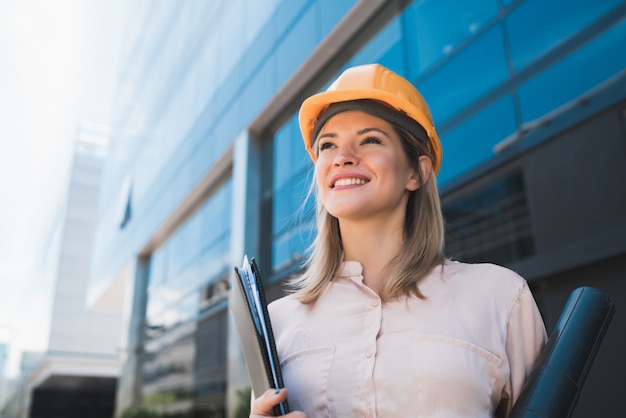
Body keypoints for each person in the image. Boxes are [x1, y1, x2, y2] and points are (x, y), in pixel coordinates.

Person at [251, 63, 547, 417]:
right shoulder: (278, 323)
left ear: (415, 172)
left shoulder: (499, 297)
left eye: (370, 140)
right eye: (328, 145)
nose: (342, 157)